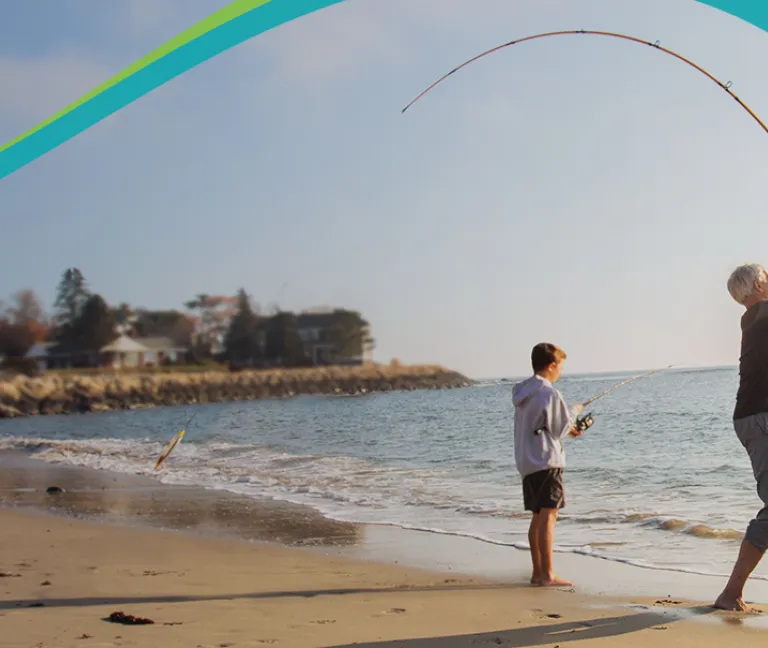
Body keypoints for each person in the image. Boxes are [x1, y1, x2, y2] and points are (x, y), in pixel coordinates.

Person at [715, 263, 768, 612]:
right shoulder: (762, 314)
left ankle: (731, 593)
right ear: (760, 283)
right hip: (761, 418)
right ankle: (730, 593)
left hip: (752, 417)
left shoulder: (753, 319)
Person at [512, 342, 585, 587]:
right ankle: (547, 575)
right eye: (560, 366)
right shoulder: (550, 393)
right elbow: (560, 428)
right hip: (546, 461)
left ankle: (537, 572)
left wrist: (568, 425)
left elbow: (544, 426)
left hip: (527, 461)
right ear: (551, 365)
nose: (561, 371)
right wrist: (573, 412)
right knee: (548, 515)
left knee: (537, 516)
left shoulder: (523, 392)